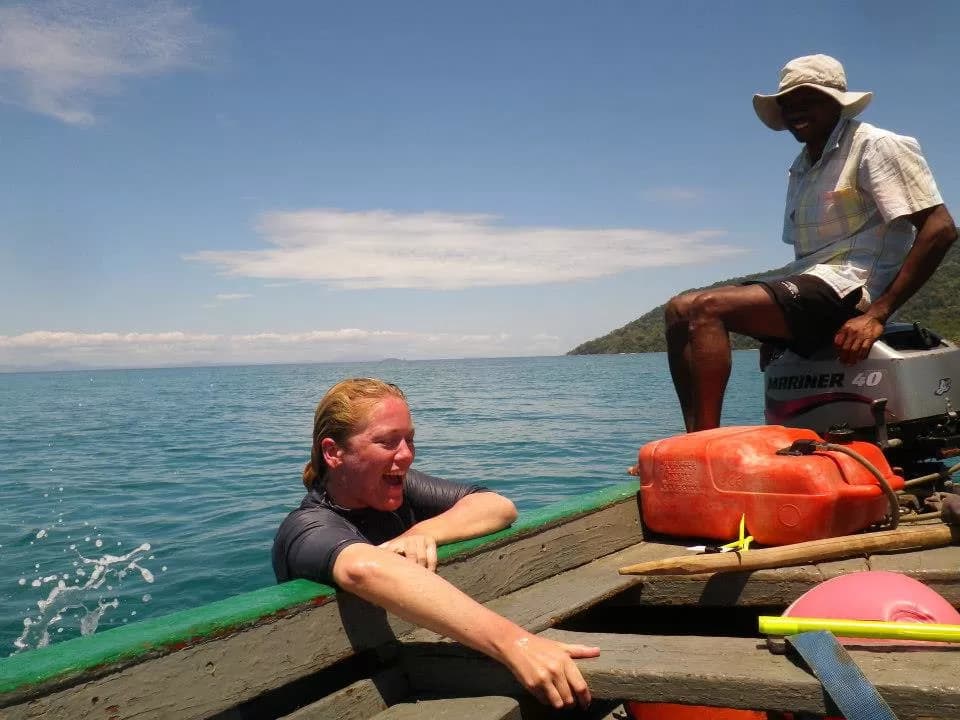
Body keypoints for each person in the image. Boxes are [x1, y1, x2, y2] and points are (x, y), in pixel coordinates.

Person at [665, 54, 957, 433]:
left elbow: (940, 228)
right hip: (813, 284)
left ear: (836, 101)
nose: (795, 110)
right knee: (678, 310)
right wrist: (775, 328)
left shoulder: (876, 145)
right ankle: (693, 442)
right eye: (787, 103)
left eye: (808, 99)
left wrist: (875, 315)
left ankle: (706, 445)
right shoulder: (802, 165)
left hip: (852, 287)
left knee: (707, 307)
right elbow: (807, 263)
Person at [272, 377, 599, 709]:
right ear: (333, 452)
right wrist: (515, 643)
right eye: (387, 442)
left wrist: (421, 533)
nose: (406, 455)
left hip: (413, 671)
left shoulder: (400, 491)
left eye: (409, 439)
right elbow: (361, 568)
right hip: (343, 701)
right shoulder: (307, 526)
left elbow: (497, 506)